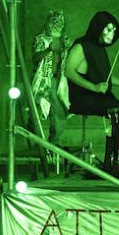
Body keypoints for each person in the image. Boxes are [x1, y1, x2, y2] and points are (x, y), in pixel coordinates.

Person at [65, 11, 119, 169]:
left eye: (114, 30)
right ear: (98, 27)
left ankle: (116, 162)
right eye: (108, 29)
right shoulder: (81, 46)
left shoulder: (99, 48)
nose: (112, 34)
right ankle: (112, 164)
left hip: (98, 96)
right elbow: (68, 71)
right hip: (82, 97)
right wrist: (94, 87)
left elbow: (105, 77)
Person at [31, 9, 70, 147]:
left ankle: (55, 146)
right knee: (37, 111)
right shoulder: (41, 38)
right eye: (55, 21)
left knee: (59, 113)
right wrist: (48, 49)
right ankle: (37, 145)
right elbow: (35, 58)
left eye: (60, 21)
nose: (58, 23)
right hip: (42, 80)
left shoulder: (65, 40)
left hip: (59, 81)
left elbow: (68, 61)